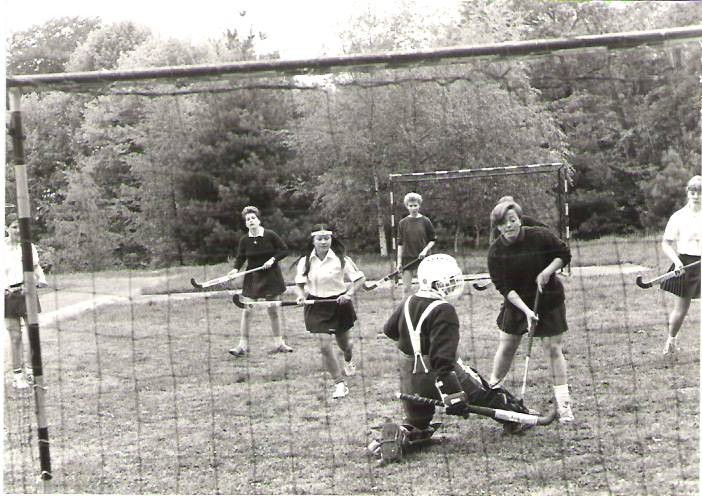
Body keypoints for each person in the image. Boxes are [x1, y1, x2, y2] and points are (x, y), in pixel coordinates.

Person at [371, 254, 534, 464]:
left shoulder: (409, 300)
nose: (453, 285)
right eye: (449, 281)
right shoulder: (443, 310)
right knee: (487, 393)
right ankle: (517, 419)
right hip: (442, 372)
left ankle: (400, 436)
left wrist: (415, 348)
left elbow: (389, 330)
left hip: (409, 374)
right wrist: (452, 391)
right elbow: (442, 358)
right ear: (437, 284)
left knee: (418, 422)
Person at [486, 200, 575, 424]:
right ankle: (491, 392)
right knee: (507, 345)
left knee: (552, 348)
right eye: (503, 223)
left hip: (549, 299)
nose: (509, 226)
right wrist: (526, 311)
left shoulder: (539, 235)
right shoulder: (495, 253)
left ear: (519, 219)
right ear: (497, 227)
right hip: (517, 303)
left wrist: (547, 272)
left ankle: (564, 406)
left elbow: (564, 254)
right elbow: (504, 288)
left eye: (513, 220)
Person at [293, 224, 365, 400]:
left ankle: (348, 359)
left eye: (327, 238)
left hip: (340, 304)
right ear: (313, 241)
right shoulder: (305, 261)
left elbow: (360, 278)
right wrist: (301, 296)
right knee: (324, 346)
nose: (324, 242)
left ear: (331, 240)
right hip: (316, 305)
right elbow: (299, 284)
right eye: (320, 238)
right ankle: (339, 384)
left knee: (344, 345)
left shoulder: (341, 259)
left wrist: (348, 294)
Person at [227, 206, 293, 357]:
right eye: (248, 219)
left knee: (273, 310)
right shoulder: (244, 240)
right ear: (246, 223)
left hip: (271, 277)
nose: (251, 221)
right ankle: (242, 346)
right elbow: (240, 257)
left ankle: (279, 344)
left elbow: (284, 250)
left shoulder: (270, 235)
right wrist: (235, 269)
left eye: (253, 218)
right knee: (247, 310)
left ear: (258, 220)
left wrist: (272, 259)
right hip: (253, 278)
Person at [3, 214, 48, 389]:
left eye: (21, 226)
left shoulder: (28, 246)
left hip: (27, 292)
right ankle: (17, 376)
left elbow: (36, 266)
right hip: (8, 296)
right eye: (14, 227)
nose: (18, 230)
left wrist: (41, 279)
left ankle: (31, 372)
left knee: (33, 334)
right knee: (15, 337)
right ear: (7, 228)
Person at [660, 175, 701, 355]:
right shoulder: (678, 217)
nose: (696, 196)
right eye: (693, 192)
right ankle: (671, 341)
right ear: (688, 193)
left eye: (700, 193)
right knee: (681, 310)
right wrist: (677, 263)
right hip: (686, 263)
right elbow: (666, 243)